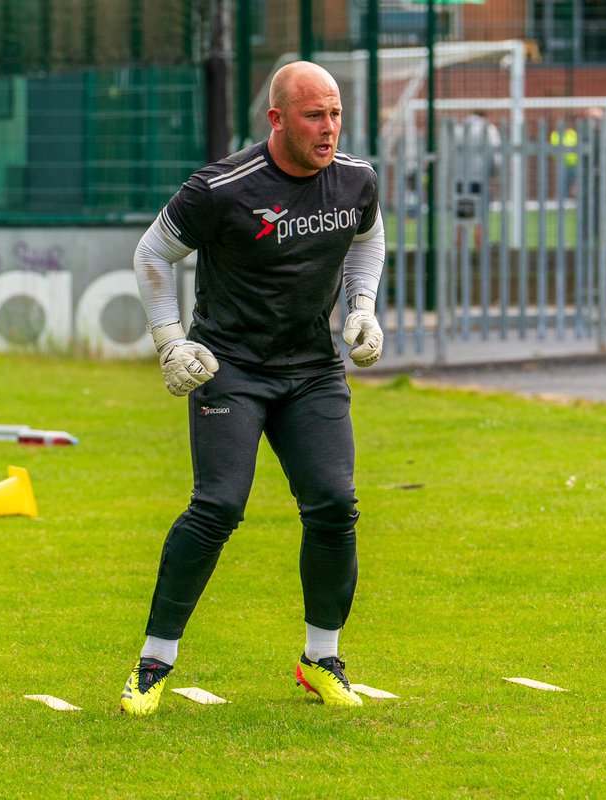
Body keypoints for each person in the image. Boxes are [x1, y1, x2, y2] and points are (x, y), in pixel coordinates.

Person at [121, 60, 385, 716]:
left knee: (333, 503)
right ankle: (154, 663)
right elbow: (152, 255)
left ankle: (322, 659)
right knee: (218, 506)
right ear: (276, 119)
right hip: (229, 368)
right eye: (313, 116)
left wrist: (363, 305)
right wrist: (171, 342)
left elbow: (368, 237)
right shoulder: (221, 188)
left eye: (335, 114)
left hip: (311, 369)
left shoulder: (356, 178)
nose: (328, 129)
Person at [451, 110, 501, 225]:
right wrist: (495, 175)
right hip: (480, 180)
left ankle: (459, 242)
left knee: (461, 219)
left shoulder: (459, 129)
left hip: (460, 180)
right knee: (481, 220)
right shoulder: (488, 129)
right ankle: (479, 243)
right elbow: (496, 156)